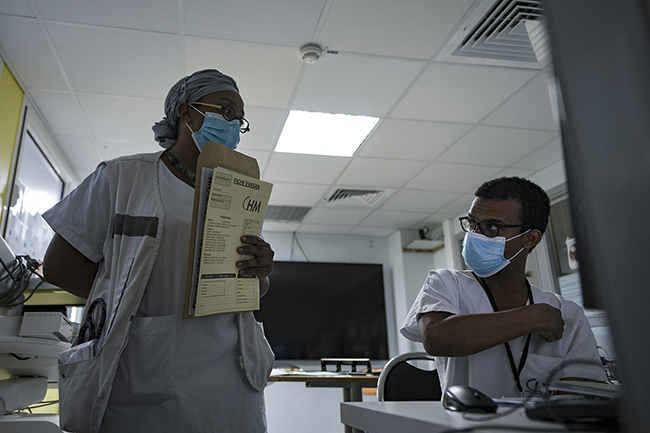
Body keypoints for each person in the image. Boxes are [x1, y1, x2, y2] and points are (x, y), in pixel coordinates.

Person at [42, 69, 275, 433]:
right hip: (149, 369)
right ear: (187, 113)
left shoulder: (236, 192)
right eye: (227, 112)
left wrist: (259, 270)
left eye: (240, 121)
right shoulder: (122, 178)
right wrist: (129, 296)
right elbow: (58, 266)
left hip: (233, 377)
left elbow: (248, 289)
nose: (234, 126)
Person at [400, 177, 607, 398]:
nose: (475, 235)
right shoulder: (446, 284)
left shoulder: (568, 314)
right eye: (472, 224)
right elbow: (435, 338)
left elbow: (578, 399)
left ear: (529, 238)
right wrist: (533, 317)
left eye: (492, 227)